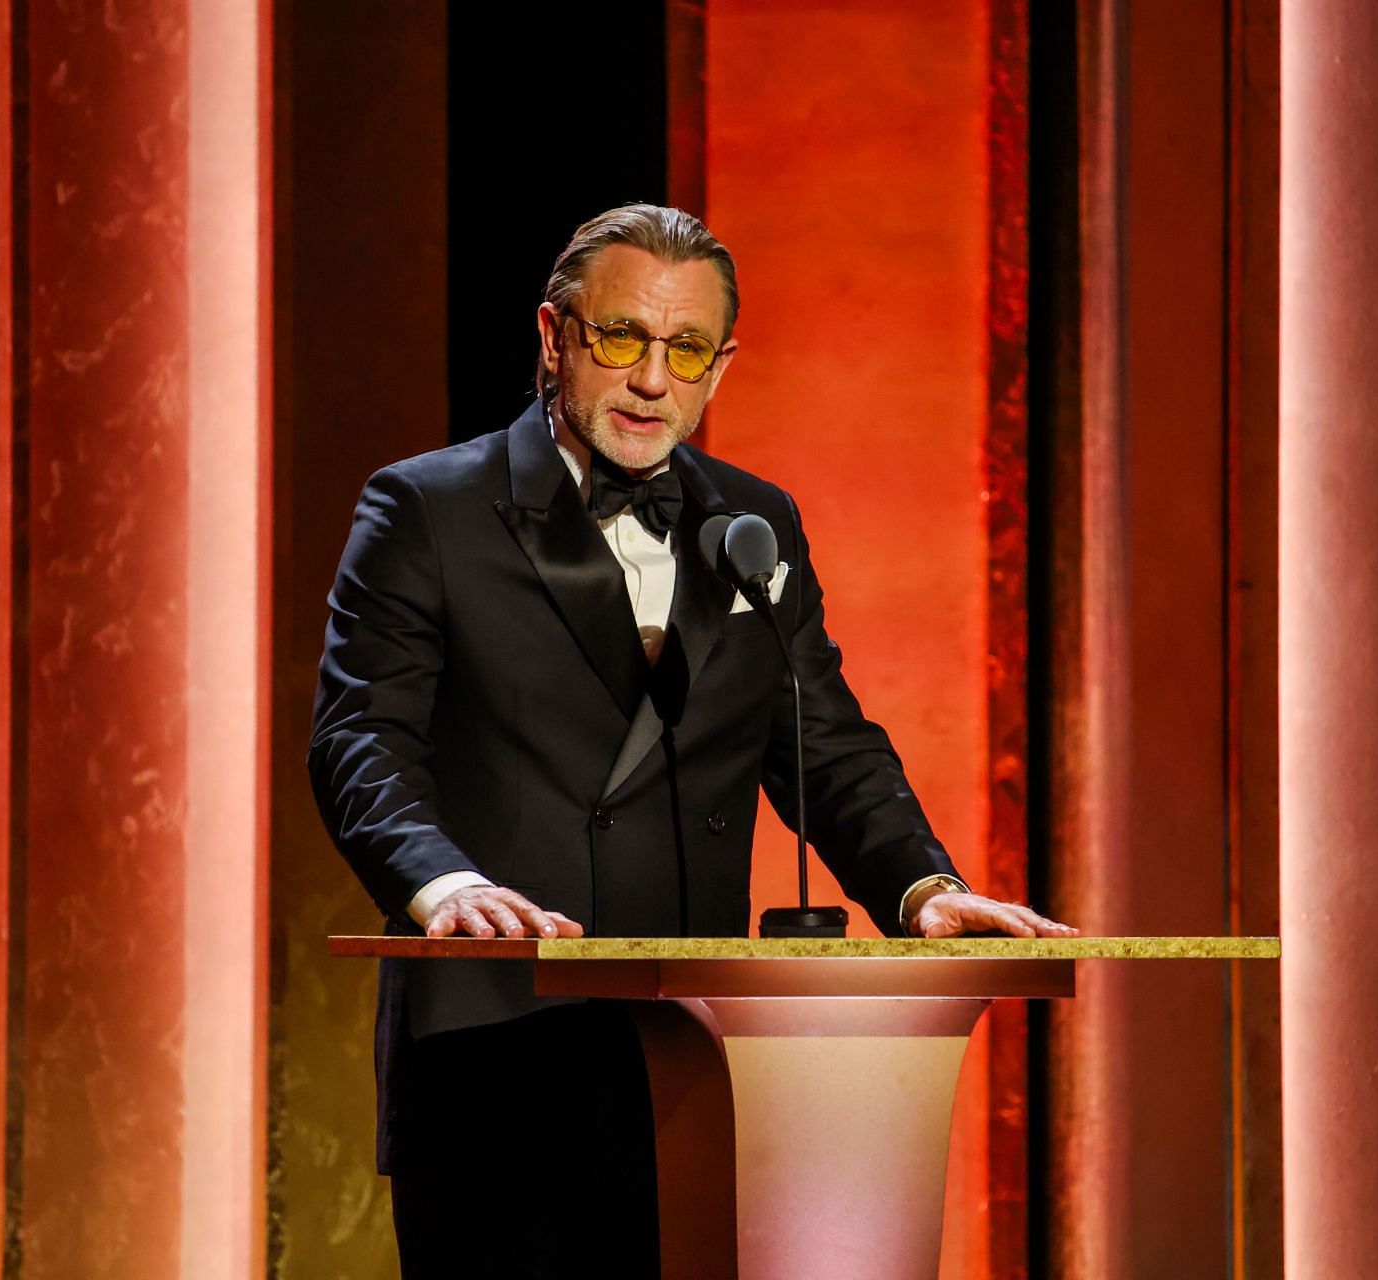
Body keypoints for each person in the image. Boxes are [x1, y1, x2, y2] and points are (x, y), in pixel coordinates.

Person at [309, 204, 1075, 1277]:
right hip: (495, 1042)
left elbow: (826, 738)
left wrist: (919, 886)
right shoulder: (428, 507)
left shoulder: (755, 523)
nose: (651, 380)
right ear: (554, 335)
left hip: (699, 1058)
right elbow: (361, 741)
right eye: (621, 337)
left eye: (686, 349)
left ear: (722, 365)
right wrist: (442, 887)